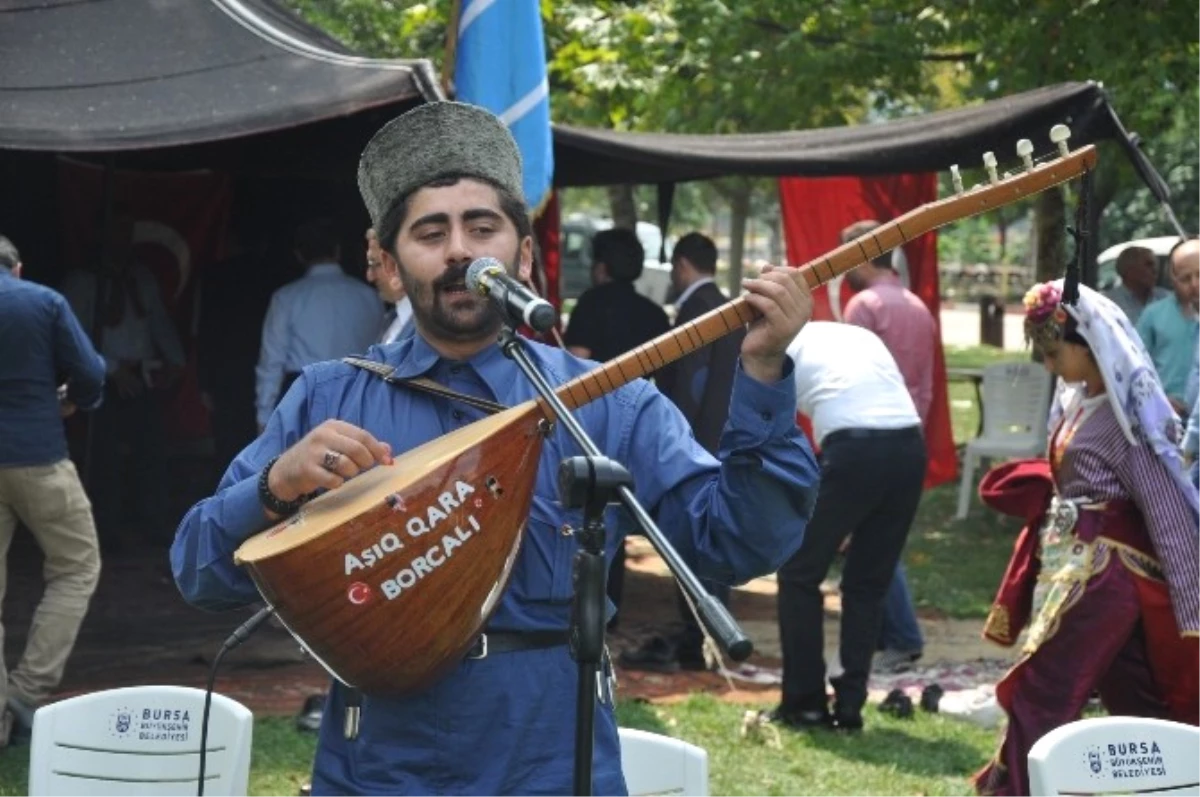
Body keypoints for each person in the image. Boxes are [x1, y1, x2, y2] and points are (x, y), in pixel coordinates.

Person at [170, 100, 820, 795]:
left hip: (552, 765)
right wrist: (274, 486)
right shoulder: (327, 399)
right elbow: (199, 571)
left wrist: (762, 376)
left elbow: (738, 542)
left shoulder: (606, 401)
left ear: (524, 256)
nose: (459, 250)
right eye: (430, 232)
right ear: (386, 266)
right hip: (379, 772)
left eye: (482, 227)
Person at [973, 278, 1200, 797]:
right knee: (1139, 695)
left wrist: (1192, 606)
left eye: (1054, 352)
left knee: (1043, 690)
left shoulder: (1126, 422)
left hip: (1104, 579)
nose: (1048, 365)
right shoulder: (1080, 404)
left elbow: (1166, 509)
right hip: (1075, 570)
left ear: (1090, 345)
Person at [766, 321, 927, 732]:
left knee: (799, 573)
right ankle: (850, 705)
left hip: (854, 447)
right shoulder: (852, 335)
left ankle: (805, 704)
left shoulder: (777, 347)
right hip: (909, 445)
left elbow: (769, 432)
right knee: (867, 584)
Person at [620, 231, 744, 671]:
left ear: (682, 266)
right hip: (725, 439)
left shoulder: (696, 309)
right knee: (710, 546)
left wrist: (676, 443)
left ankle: (699, 641)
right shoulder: (728, 303)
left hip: (698, 445)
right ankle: (707, 636)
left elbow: (691, 385)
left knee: (695, 547)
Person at [0, 235, 105, 747]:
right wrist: (71, 399)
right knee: (76, 567)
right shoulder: (43, 301)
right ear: (16, 268)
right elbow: (90, 372)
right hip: (40, 456)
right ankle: (25, 691)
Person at [60, 207, 186, 548]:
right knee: (104, 458)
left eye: (127, 232)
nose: (122, 240)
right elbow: (73, 337)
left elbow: (158, 320)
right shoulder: (83, 281)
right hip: (105, 377)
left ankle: (155, 523)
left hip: (143, 375)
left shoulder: (140, 277)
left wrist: (175, 359)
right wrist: (112, 367)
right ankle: (106, 530)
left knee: (152, 452)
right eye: (116, 232)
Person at [563, 226, 671, 623]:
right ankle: (612, 610)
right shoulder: (655, 313)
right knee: (618, 518)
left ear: (601, 267)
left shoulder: (591, 303)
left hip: (589, 423)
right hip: (634, 424)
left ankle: (579, 609)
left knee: (579, 517)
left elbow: (575, 362)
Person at [841, 219, 936, 668]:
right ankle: (892, 635)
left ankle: (899, 635)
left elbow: (850, 377)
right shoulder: (918, 306)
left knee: (870, 545)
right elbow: (929, 383)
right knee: (882, 541)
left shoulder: (863, 306)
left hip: (869, 434)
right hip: (911, 435)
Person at [254, 218, 383, 432]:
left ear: (299, 255)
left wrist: (264, 416)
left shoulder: (286, 298)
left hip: (304, 399)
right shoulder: (370, 296)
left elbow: (271, 362)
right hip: (359, 397)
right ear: (338, 251)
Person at [1135, 239, 1200, 414]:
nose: (1194, 285)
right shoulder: (1153, 315)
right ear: (1173, 279)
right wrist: (1158, 398)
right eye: (1186, 278)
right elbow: (1134, 368)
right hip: (1165, 418)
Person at [365, 227, 413, 345]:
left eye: (375, 264)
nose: (370, 276)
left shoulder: (433, 329)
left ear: (394, 265)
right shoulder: (390, 319)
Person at [1103, 245, 1168, 325]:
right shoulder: (1109, 304)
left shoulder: (1166, 298)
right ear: (1129, 270)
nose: (1155, 270)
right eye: (1148, 265)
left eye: (1156, 265)